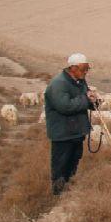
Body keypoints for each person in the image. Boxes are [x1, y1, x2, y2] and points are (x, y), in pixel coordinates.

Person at [43, 53, 100, 195]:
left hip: (76, 131)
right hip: (63, 133)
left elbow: (86, 99)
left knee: (74, 160)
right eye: (83, 69)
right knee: (60, 165)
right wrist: (86, 100)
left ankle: (68, 187)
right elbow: (65, 106)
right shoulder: (58, 84)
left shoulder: (80, 81)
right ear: (72, 68)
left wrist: (94, 101)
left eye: (87, 68)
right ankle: (58, 192)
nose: (85, 72)